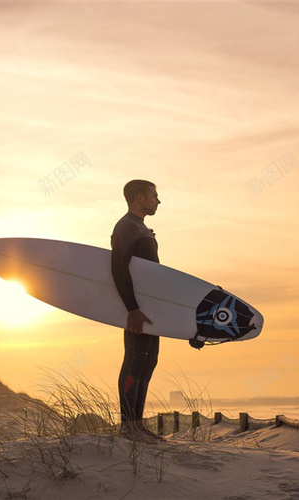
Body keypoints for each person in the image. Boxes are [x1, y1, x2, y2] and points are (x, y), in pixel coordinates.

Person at [111, 179, 164, 443]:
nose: (159, 200)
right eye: (155, 195)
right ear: (140, 198)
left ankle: (137, 424)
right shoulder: (126, 227)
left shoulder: (139, 227)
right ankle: (127, 425)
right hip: (136, 310)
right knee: (134, 358)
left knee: (148, 360)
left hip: (148, 309)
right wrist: (132, 309)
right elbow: (119, 269)